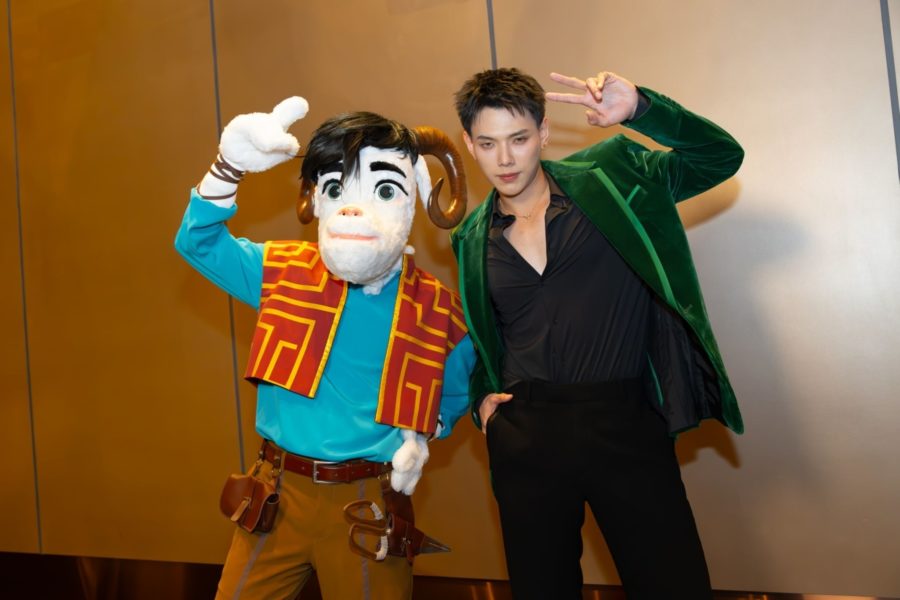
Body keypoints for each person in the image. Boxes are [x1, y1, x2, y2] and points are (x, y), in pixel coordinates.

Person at [450, 67, 744, 599]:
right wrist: (483, 406)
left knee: (674, 585)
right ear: (469, 145)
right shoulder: (470, 237)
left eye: (519, 139)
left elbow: (720, 156)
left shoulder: (612, 177)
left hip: (624, 423)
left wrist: (642, 109)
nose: (506, 159)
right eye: (488, 144)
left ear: (543, 132)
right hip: (525, 435)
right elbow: (487, 338)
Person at [175, 98, 475, 599]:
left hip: (366, 503)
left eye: (384, 190)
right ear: (318, 198)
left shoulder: (438, 310)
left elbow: (456, 393)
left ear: (412, 198)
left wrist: (421, 435)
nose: (354, 209)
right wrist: (228, 166)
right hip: (276, 495)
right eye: (336, 188)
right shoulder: (283, 272)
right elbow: (198, 242)